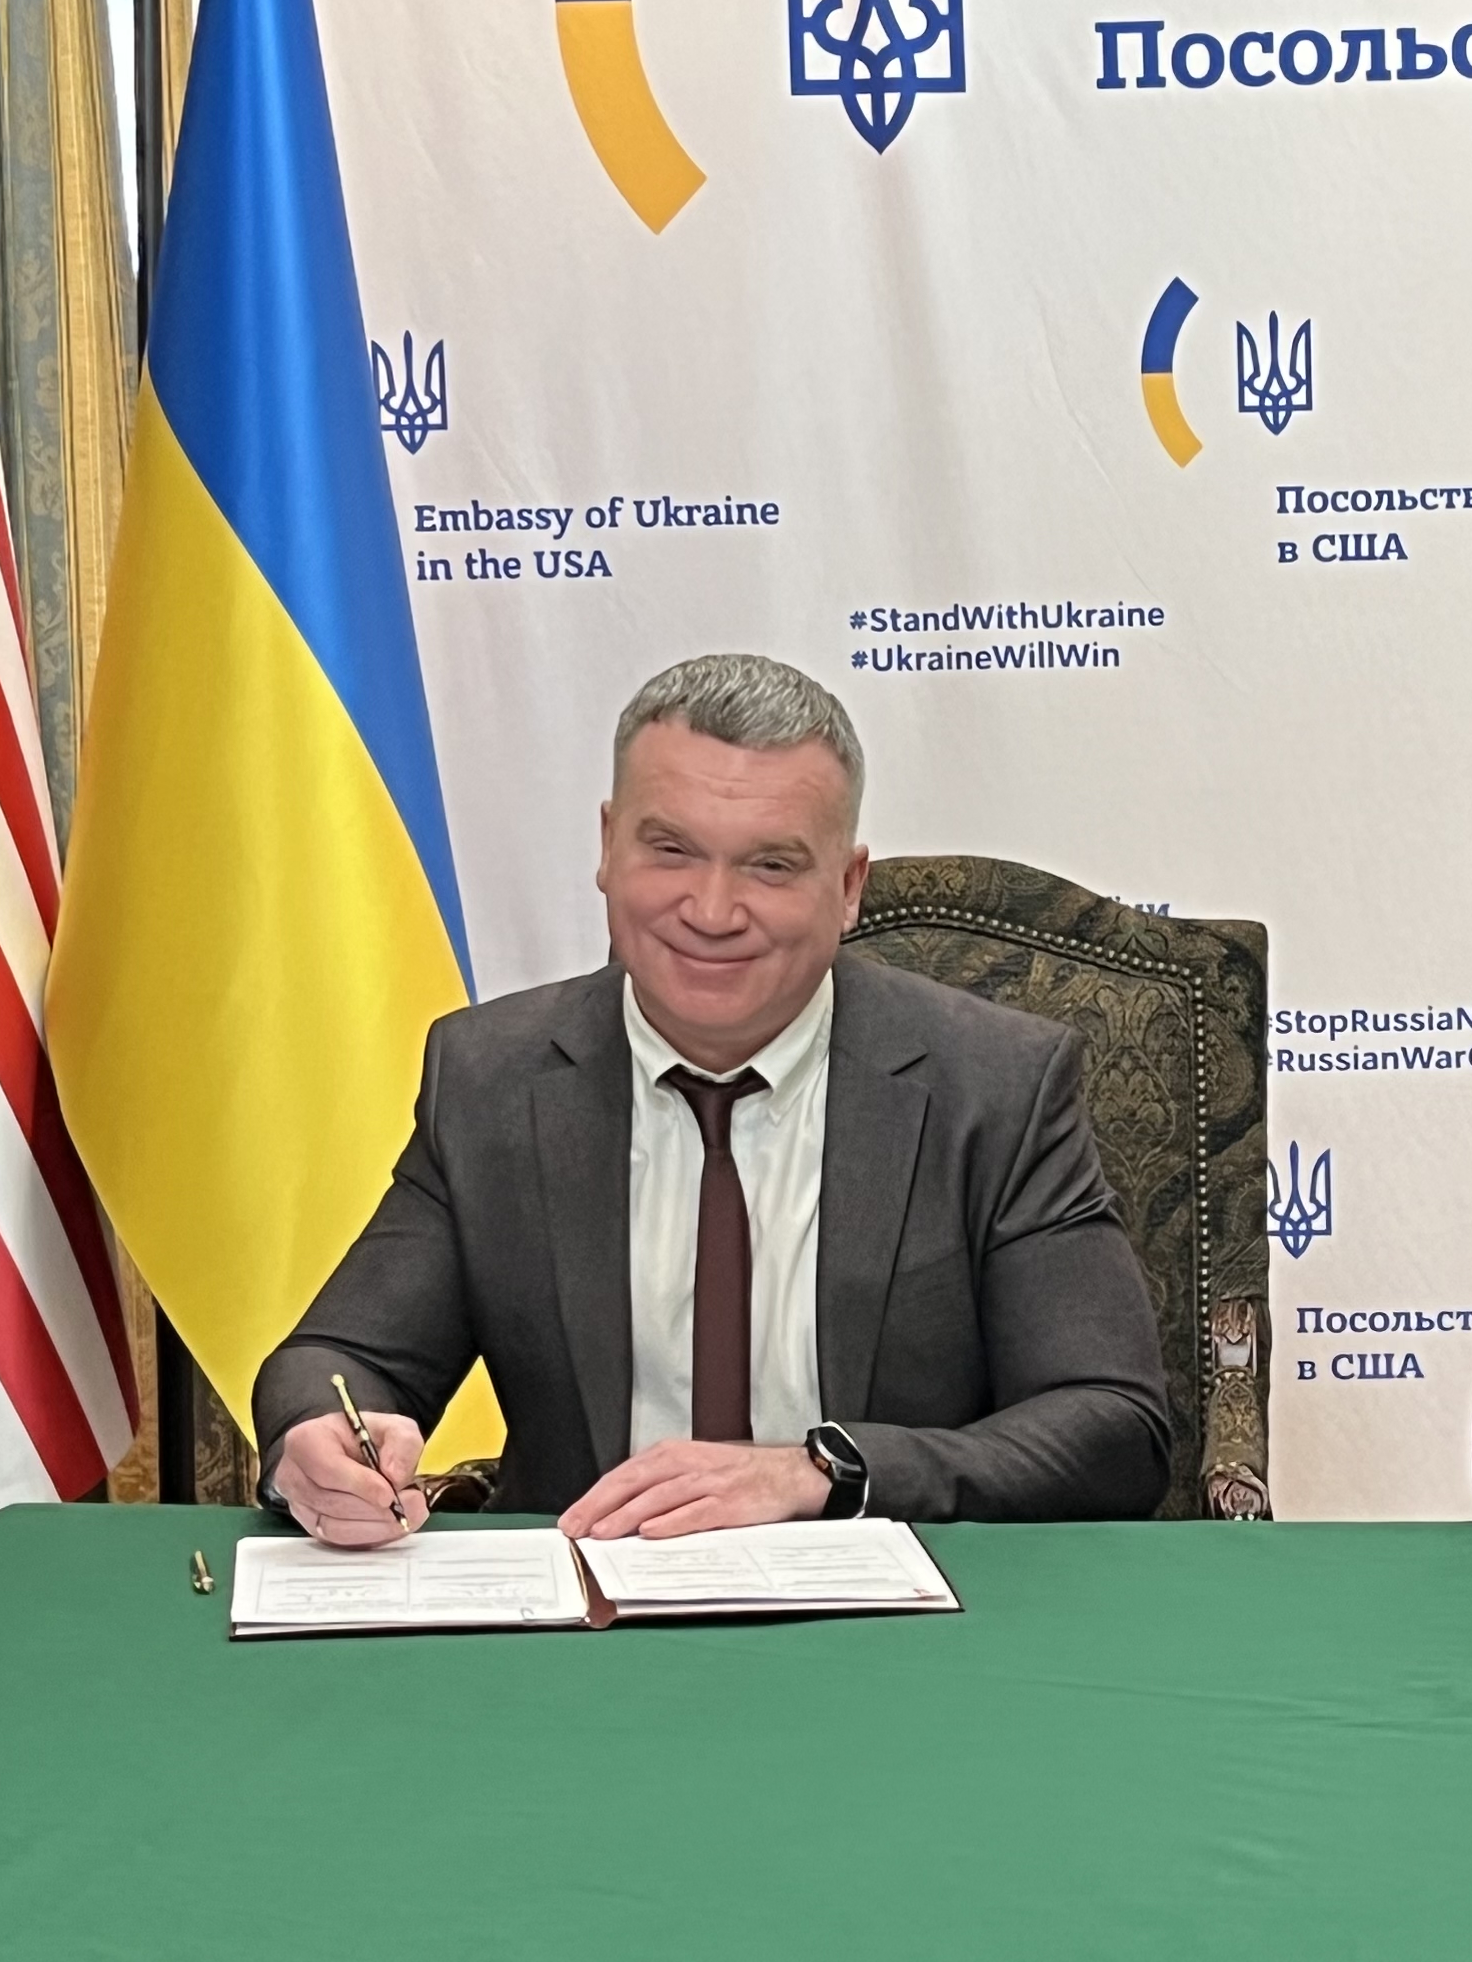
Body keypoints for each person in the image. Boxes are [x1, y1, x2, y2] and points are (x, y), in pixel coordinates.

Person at [256, 653, 1169, 1539]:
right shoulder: (492, 1076)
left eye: (770, 866)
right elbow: (345, 1359)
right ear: (607, 848)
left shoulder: (995, 1084)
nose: (712, 909)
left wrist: (824, 1471)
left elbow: (1110, 1423)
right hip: (590, 1622)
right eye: (671, 850)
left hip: (892, 1621)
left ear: (848, 887)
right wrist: (324, 1436)